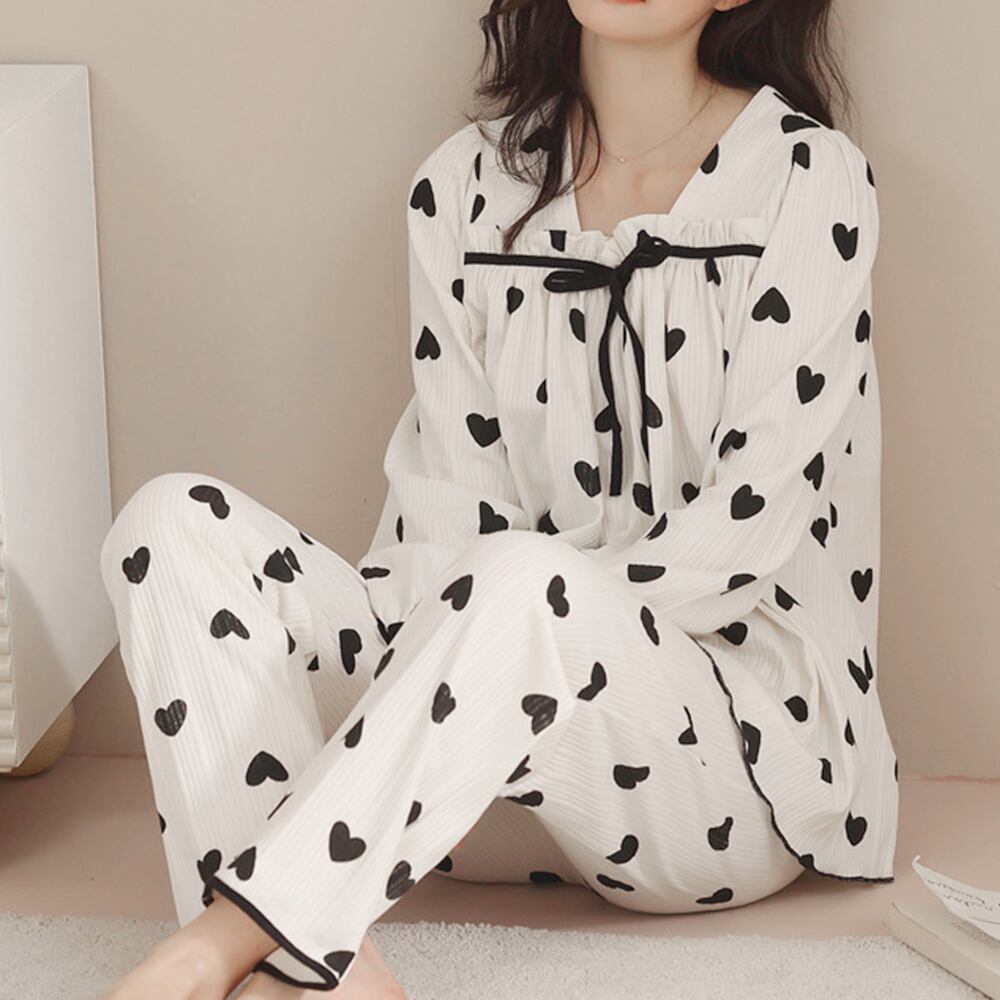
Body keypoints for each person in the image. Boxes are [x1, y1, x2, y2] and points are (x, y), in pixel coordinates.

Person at [97, 0, 899, 996]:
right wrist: (467, 654)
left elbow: (750, 525)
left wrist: (528, 616)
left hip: (710, 784)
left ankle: (213, 945)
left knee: (526, 578)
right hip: (464, 789)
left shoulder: (806, 179)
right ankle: (332, 974)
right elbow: (450, 507)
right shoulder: (460, 187)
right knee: (168, 524)